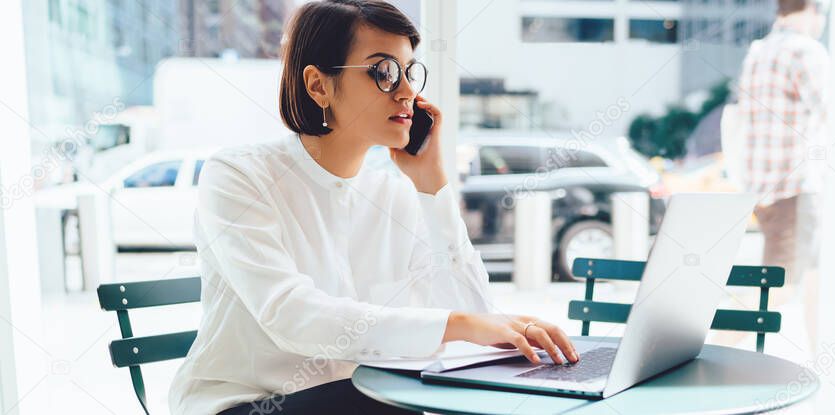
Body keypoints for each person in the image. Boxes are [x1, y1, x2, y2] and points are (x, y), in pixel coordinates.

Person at [168, 1, 578, 414]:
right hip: (246, 403)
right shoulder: (238, 175)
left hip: (359, 396)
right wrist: (459, 326)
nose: (406, 93)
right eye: (383, 72)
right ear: (318, 86)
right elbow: (289, 314)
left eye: (409, 71)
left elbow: (474, 313)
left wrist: (431, 186)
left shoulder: (394, 194)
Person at [735, 0, 829, 347]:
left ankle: (824, 357)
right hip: (795, 186)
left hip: (764, 187)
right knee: (780, 285)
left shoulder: (758, 52)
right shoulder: (805, 52)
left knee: (815, 275)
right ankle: (705, 347)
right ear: (812, 10)